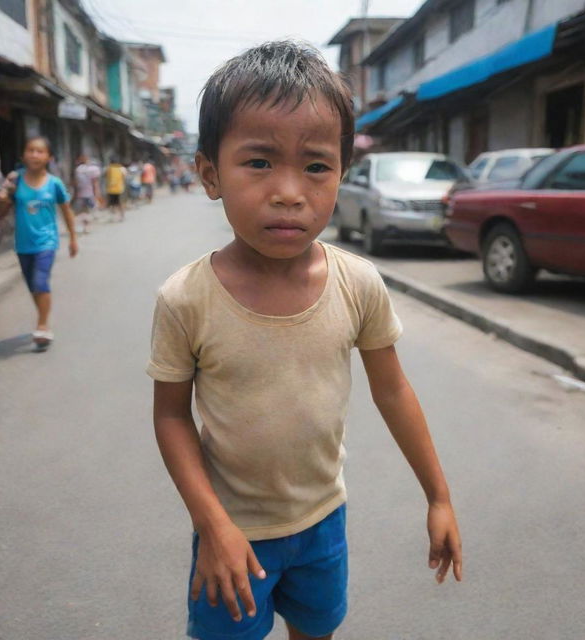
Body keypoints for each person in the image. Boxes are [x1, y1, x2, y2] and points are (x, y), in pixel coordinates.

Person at [147, 41, 462, 640]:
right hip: (230, 527)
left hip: (323, 523)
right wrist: (212, 525)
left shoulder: (357, 282)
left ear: (342, 174)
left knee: (316, 631)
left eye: (316, 166)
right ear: (210, 174)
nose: (290, 191)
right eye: (259, 162)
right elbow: (171, 418)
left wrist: (439, 497)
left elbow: (393, 390)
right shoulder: (186, 298)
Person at [0, 136, 78, 349]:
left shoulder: (55, 184)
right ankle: (42, 320)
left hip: (47, 242)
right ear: (23, 155)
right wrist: (4, 198)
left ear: (49, 157)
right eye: (30, 150)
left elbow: (66, 211)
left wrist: (72, 238)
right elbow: (2, 213)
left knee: (41, 281)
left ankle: (42, 326)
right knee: (33, 285)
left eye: (40, 151)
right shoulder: (15, 181)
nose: (34, 154)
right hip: (23, 244)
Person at [72, 153, 101, 233]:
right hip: (90, 193)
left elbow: (76, 184)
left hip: (80, 194)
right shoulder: (92, 170)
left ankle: (84, 227)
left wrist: (74, 194)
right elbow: (95, 183)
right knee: (88, 211)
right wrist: (97, 194)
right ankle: (86, 227)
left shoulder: (78, 170)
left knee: (83, 211)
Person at [105, 156, 126, 222]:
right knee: (120, 203)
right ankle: (122, 216)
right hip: (119, 188)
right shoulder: (121, 168)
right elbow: (124, 176)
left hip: (110, 189)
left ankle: (113, 217)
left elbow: (106, 176)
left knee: (112, 204)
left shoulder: (108, 168)